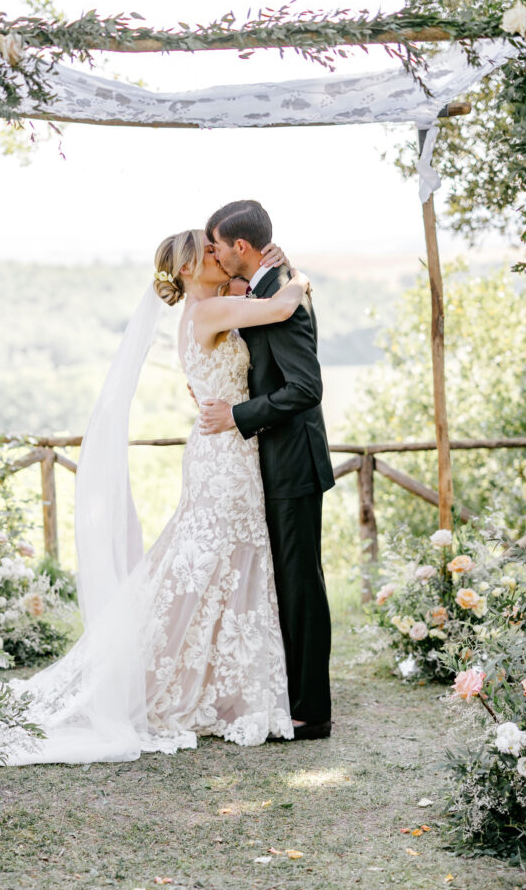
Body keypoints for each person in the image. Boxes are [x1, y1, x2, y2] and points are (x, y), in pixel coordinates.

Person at [0, 229, 311, 765]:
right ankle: (162, 682)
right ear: (187, 269)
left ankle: (221, 680)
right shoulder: (206, 312)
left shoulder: (215, 306)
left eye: (217, 248)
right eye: (207, 252)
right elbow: (282, 306)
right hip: (223, 458)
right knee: (205, 565)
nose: (217, 255)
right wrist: (297, 275)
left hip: (228, 448)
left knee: (221, 566)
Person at [200, 200, 335, 740]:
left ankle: (312, 712)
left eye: (216, 244)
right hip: (272, 459)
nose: (212, 253)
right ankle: (293, 694)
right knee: (287, 582)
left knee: (302, 585)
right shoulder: (271, 285)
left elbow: (305, 388)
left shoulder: (284, 290)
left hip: (293, 461)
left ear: (241, 247)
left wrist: (237, 414)